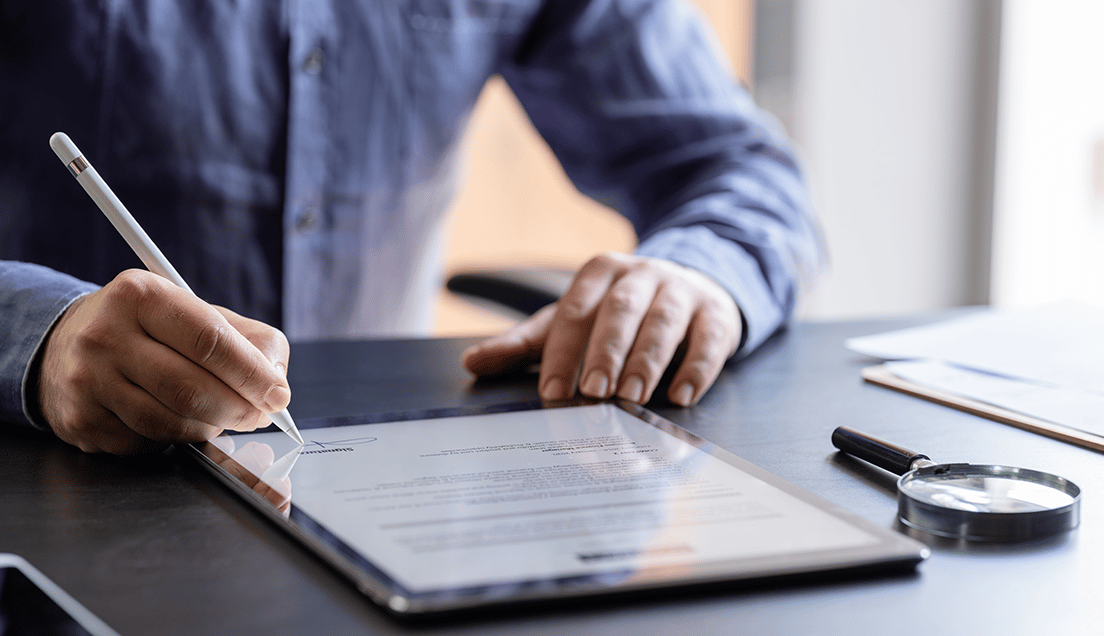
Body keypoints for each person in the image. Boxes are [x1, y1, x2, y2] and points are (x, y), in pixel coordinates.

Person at [0, 1, 823, 455]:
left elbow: (737, 170)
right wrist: (39, 337)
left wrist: (697, 275)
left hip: (359, 486)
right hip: (55, 482)